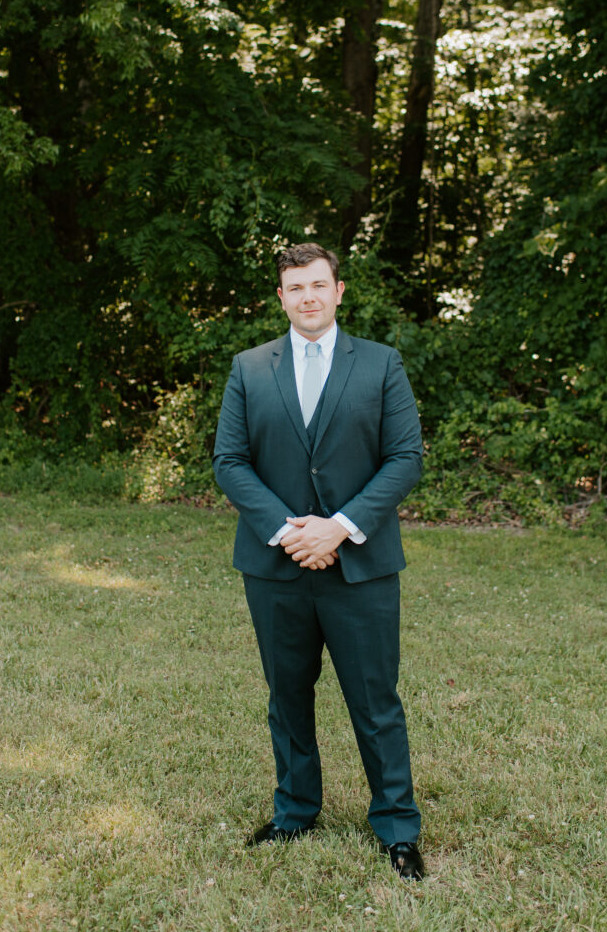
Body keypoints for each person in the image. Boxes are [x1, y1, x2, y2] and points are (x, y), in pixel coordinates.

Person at [212, 242, 425, 880]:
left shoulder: (382, 364)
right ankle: (295, 811)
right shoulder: (249, 368)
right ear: (281, 297)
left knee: (375, 699)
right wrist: (288, 531)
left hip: (360, 566)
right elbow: (229, 461)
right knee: (287, 696)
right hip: (275, 568)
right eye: (295, 287)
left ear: (338, 291)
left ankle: (396, 826)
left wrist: (338, 527)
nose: (307, 296)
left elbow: (405, 457)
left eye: (318, 284)